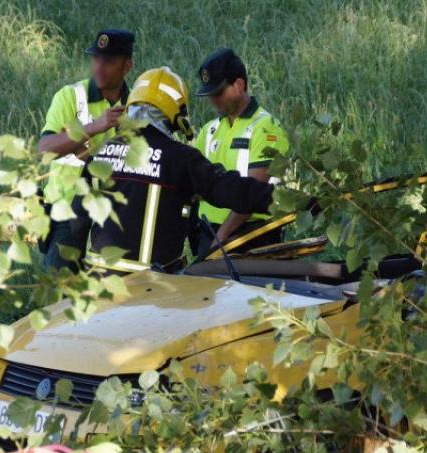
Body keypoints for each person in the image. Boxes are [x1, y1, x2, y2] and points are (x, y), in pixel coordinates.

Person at [70, 67, 274, 274]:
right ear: (175, 114)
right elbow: (231, 189)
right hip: (153, 288)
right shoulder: (180, 158)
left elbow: (76, 223)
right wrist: (285, 199)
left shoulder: (102, 152)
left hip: (100, 282)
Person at [37, 29, 135, 271]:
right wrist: (94, 126)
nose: (99, 67)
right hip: (66, 210)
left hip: (116, 215)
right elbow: (44, 149)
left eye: (109, 61)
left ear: (127, 66)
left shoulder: (137, 106)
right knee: (61, 295)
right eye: (96, 58)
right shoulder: (70, 96)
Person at [191, 48, 289, 259]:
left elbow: (253, 194)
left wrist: (221, 239)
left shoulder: (265, 127)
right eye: (210, 94)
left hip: (251, 234)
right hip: (210, 233)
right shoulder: (209, 130)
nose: (213, 100)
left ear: (239, 85)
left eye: (218, 92)